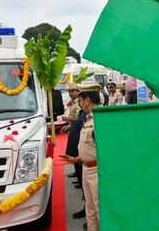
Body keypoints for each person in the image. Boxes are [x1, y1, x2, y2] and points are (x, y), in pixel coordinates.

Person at [59, 83, 103, 231]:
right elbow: (91, 148)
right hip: (86, 169)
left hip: (97, 172)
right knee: (90, 211)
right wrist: (76, 159)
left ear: (88, 100)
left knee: (100, 211)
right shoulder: (88, 118)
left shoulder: (100, 121)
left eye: (81, 100)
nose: (81, 104)